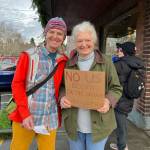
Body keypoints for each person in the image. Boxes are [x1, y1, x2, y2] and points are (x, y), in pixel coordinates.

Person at [59, 21, 122, 150]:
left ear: (93, 41)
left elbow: (116, 87)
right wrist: (62, 97)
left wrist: (108, 101)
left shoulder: (106, 62)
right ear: (75, 43)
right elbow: (62, 86)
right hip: (74, 125)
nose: (84, 44)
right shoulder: (68, 64)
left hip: (99, 126)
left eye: (87, 40)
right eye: (79, 41)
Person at [9, 17, 68, 150]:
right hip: (26, 117)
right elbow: (17, 85)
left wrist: (63, 96)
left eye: (59, 33)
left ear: (64, 37)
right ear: (45, 33)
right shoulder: (28, 56)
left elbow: (64, 85)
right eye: (52, 32)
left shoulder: (64, 60)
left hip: (49, 118)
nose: (55, 36)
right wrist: (24, 114)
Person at [110, 42, 145, 150]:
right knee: (122, 124)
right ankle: (121, 144)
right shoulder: (138, 63)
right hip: (129, 99)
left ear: (124, 52)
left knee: (121, 126)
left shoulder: (120, 64)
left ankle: (122, 146)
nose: (117, 51)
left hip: (119, 100)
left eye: (119, 50)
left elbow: (108, 79)